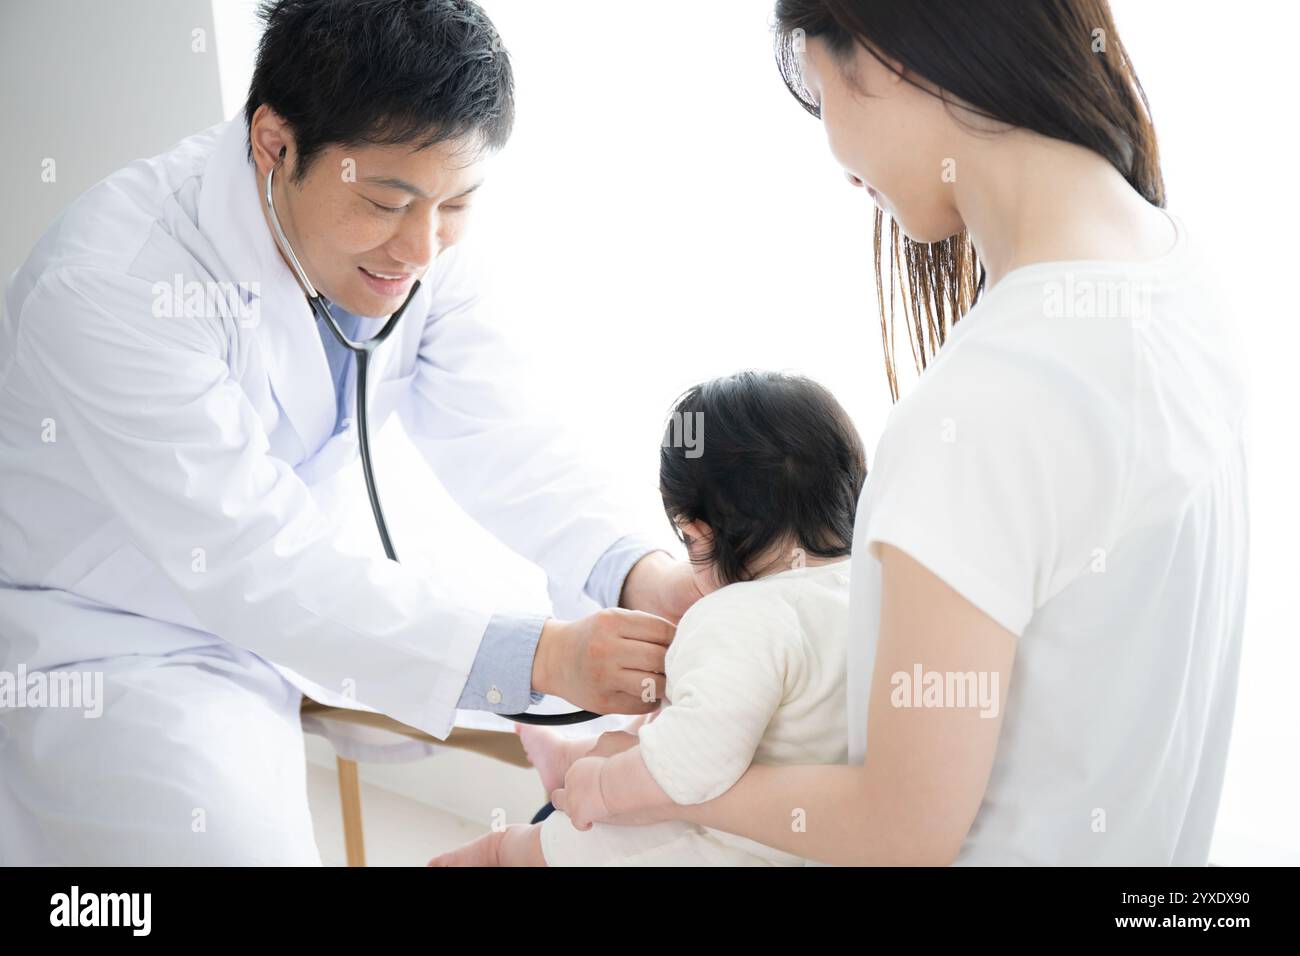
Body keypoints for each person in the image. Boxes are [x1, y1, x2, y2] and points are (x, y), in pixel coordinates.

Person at [550, 0, 1250, 866]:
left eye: (818, 93)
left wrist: (652, 774)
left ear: (881, 56)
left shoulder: (982, 413)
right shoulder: (1179, 270)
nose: (840, 162)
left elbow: (900, 828)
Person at [0, 0, 698, 865]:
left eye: (458, 203)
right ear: (273, 143)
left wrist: (643, 570)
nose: (422, 247)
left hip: (293, 572)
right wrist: (544, 658)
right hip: (117, 633)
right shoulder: (113, 285)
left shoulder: (422, 223)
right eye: (385, 203)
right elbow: (252, 559)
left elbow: (508, 427)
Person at [430, 371, 865, 866]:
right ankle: (573, 758)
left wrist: (599, 789)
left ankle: (501, 850)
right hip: (818, 833)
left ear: (696, 534)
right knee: (682, 718)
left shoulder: (741, 615)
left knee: (577, 835)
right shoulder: (877, 593)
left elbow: (687, 767)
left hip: (731, 844)